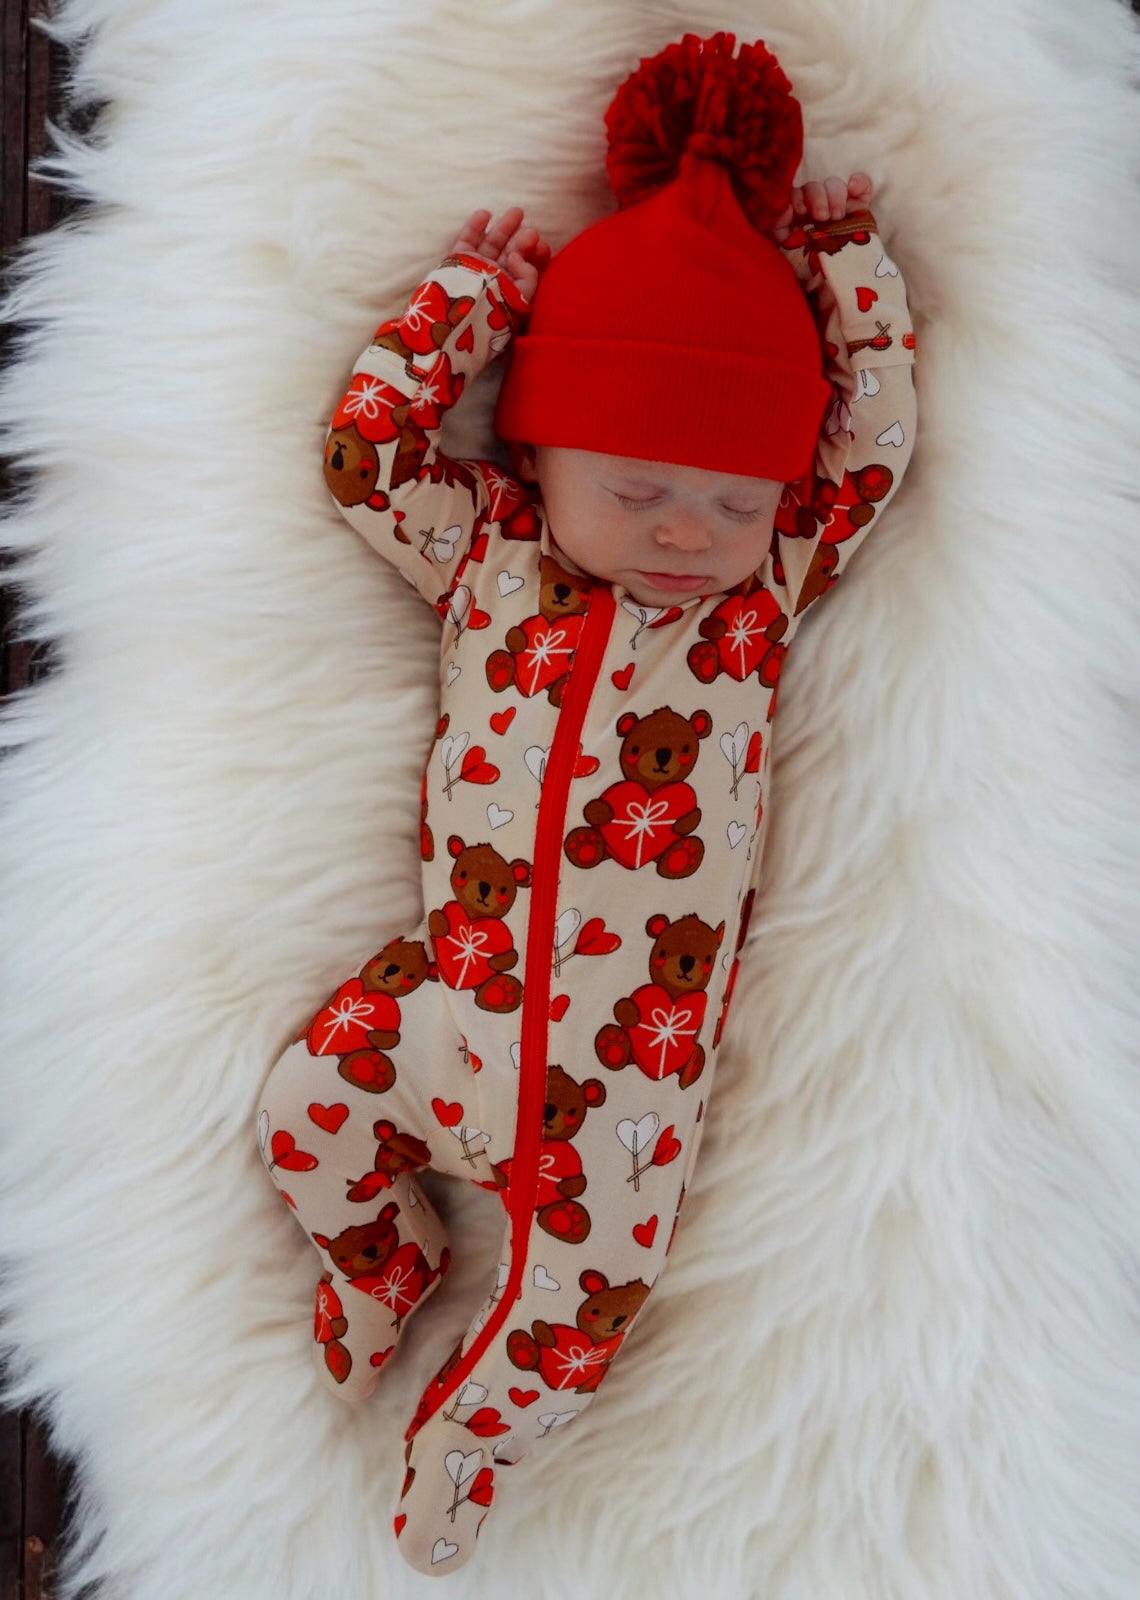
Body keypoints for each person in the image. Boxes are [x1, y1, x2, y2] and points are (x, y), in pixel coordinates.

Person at [255, 29, 917, 1578]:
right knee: (301, 1114)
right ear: (539, 447)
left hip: (626, 1095)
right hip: (447, 999)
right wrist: (463, 309)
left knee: (579, 1323)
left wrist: (849, 276)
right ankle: (381, 1262)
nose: (688, 532)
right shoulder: (491, 559)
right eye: (635, 490)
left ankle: (471, 1437)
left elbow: (869, 454)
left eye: (731, 501)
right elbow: (363, 458)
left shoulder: (761, 604)